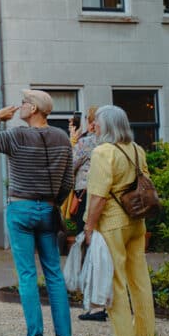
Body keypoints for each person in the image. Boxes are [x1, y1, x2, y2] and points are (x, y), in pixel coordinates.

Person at [0, 89, 73, 336]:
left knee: (28, 275)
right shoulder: (62, 138)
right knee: (54, 274)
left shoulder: (17, 136)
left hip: (20, 208)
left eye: (24, 103)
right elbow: (68, 182)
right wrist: (53, 202)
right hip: (49, 210)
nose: (20, 107)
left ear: (34, 109)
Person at [82, 105, 156, 336]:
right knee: (140, 280)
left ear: (108, 126)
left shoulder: (103, 152)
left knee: (115, 281)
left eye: (99, 123)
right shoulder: (137, 149)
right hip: (137, 221)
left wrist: (89, 226)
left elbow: (98, 196)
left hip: (112, 223)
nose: (96, 126)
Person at [68, 107, 105, 320]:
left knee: (88, 241)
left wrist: (75, 141)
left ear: (92, 123)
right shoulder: (119, 144)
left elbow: (70, 165)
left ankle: (93, 300)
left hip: (87, 197)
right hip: (110, 202)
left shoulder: (87, 142)